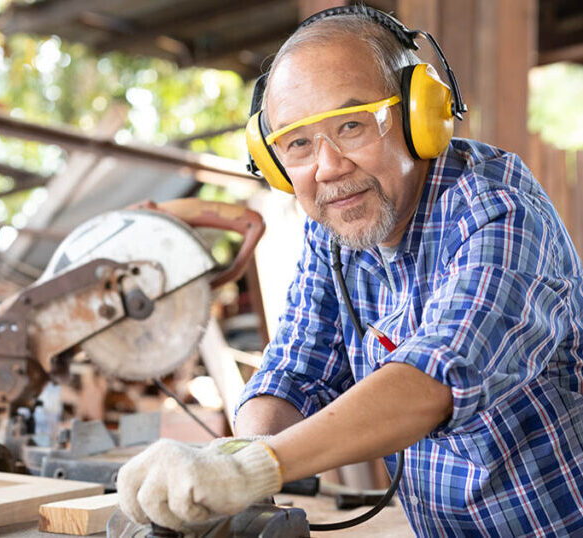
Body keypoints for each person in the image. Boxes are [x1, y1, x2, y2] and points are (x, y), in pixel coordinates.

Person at [117, 6, 583, 536]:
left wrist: (251, 469)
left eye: (352, 126)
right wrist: (234, 458)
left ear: (420, 117)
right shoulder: (334, 234)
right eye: (297, 143)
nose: (329, 166)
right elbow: (295, 372)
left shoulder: (500, 213)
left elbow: (437, 377)